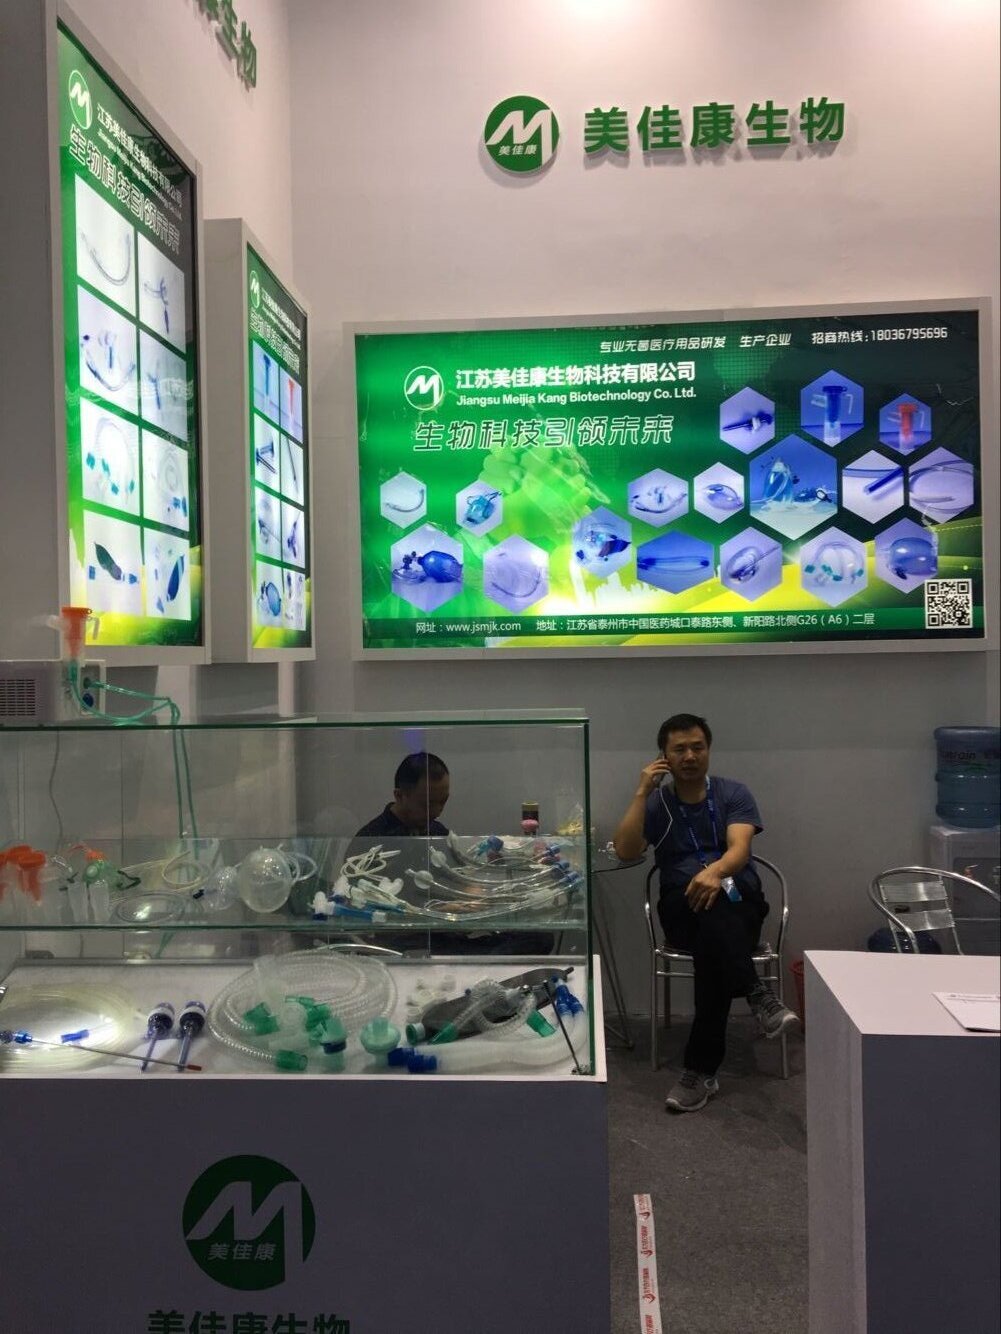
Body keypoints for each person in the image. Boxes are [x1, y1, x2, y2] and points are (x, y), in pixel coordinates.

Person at [613, 712, 797, 1113]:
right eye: (679, 749)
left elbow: (740, 849)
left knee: (715, 930)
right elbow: (626, 850)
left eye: (697, 747)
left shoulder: (733, 794)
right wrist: (642, 792)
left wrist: (714, 872)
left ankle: (699, 1072)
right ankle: (757, 994)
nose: (690, 756)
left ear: (708, 750)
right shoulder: (659, 803)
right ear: (664, 757)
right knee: (711, 925)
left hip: (737, 898)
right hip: (680, 906)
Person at [354, 751, 450, 837]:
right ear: (399, 796)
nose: (437, 813)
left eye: (443, 801)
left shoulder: (440, 834)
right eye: (427, 805)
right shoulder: (369, 840)